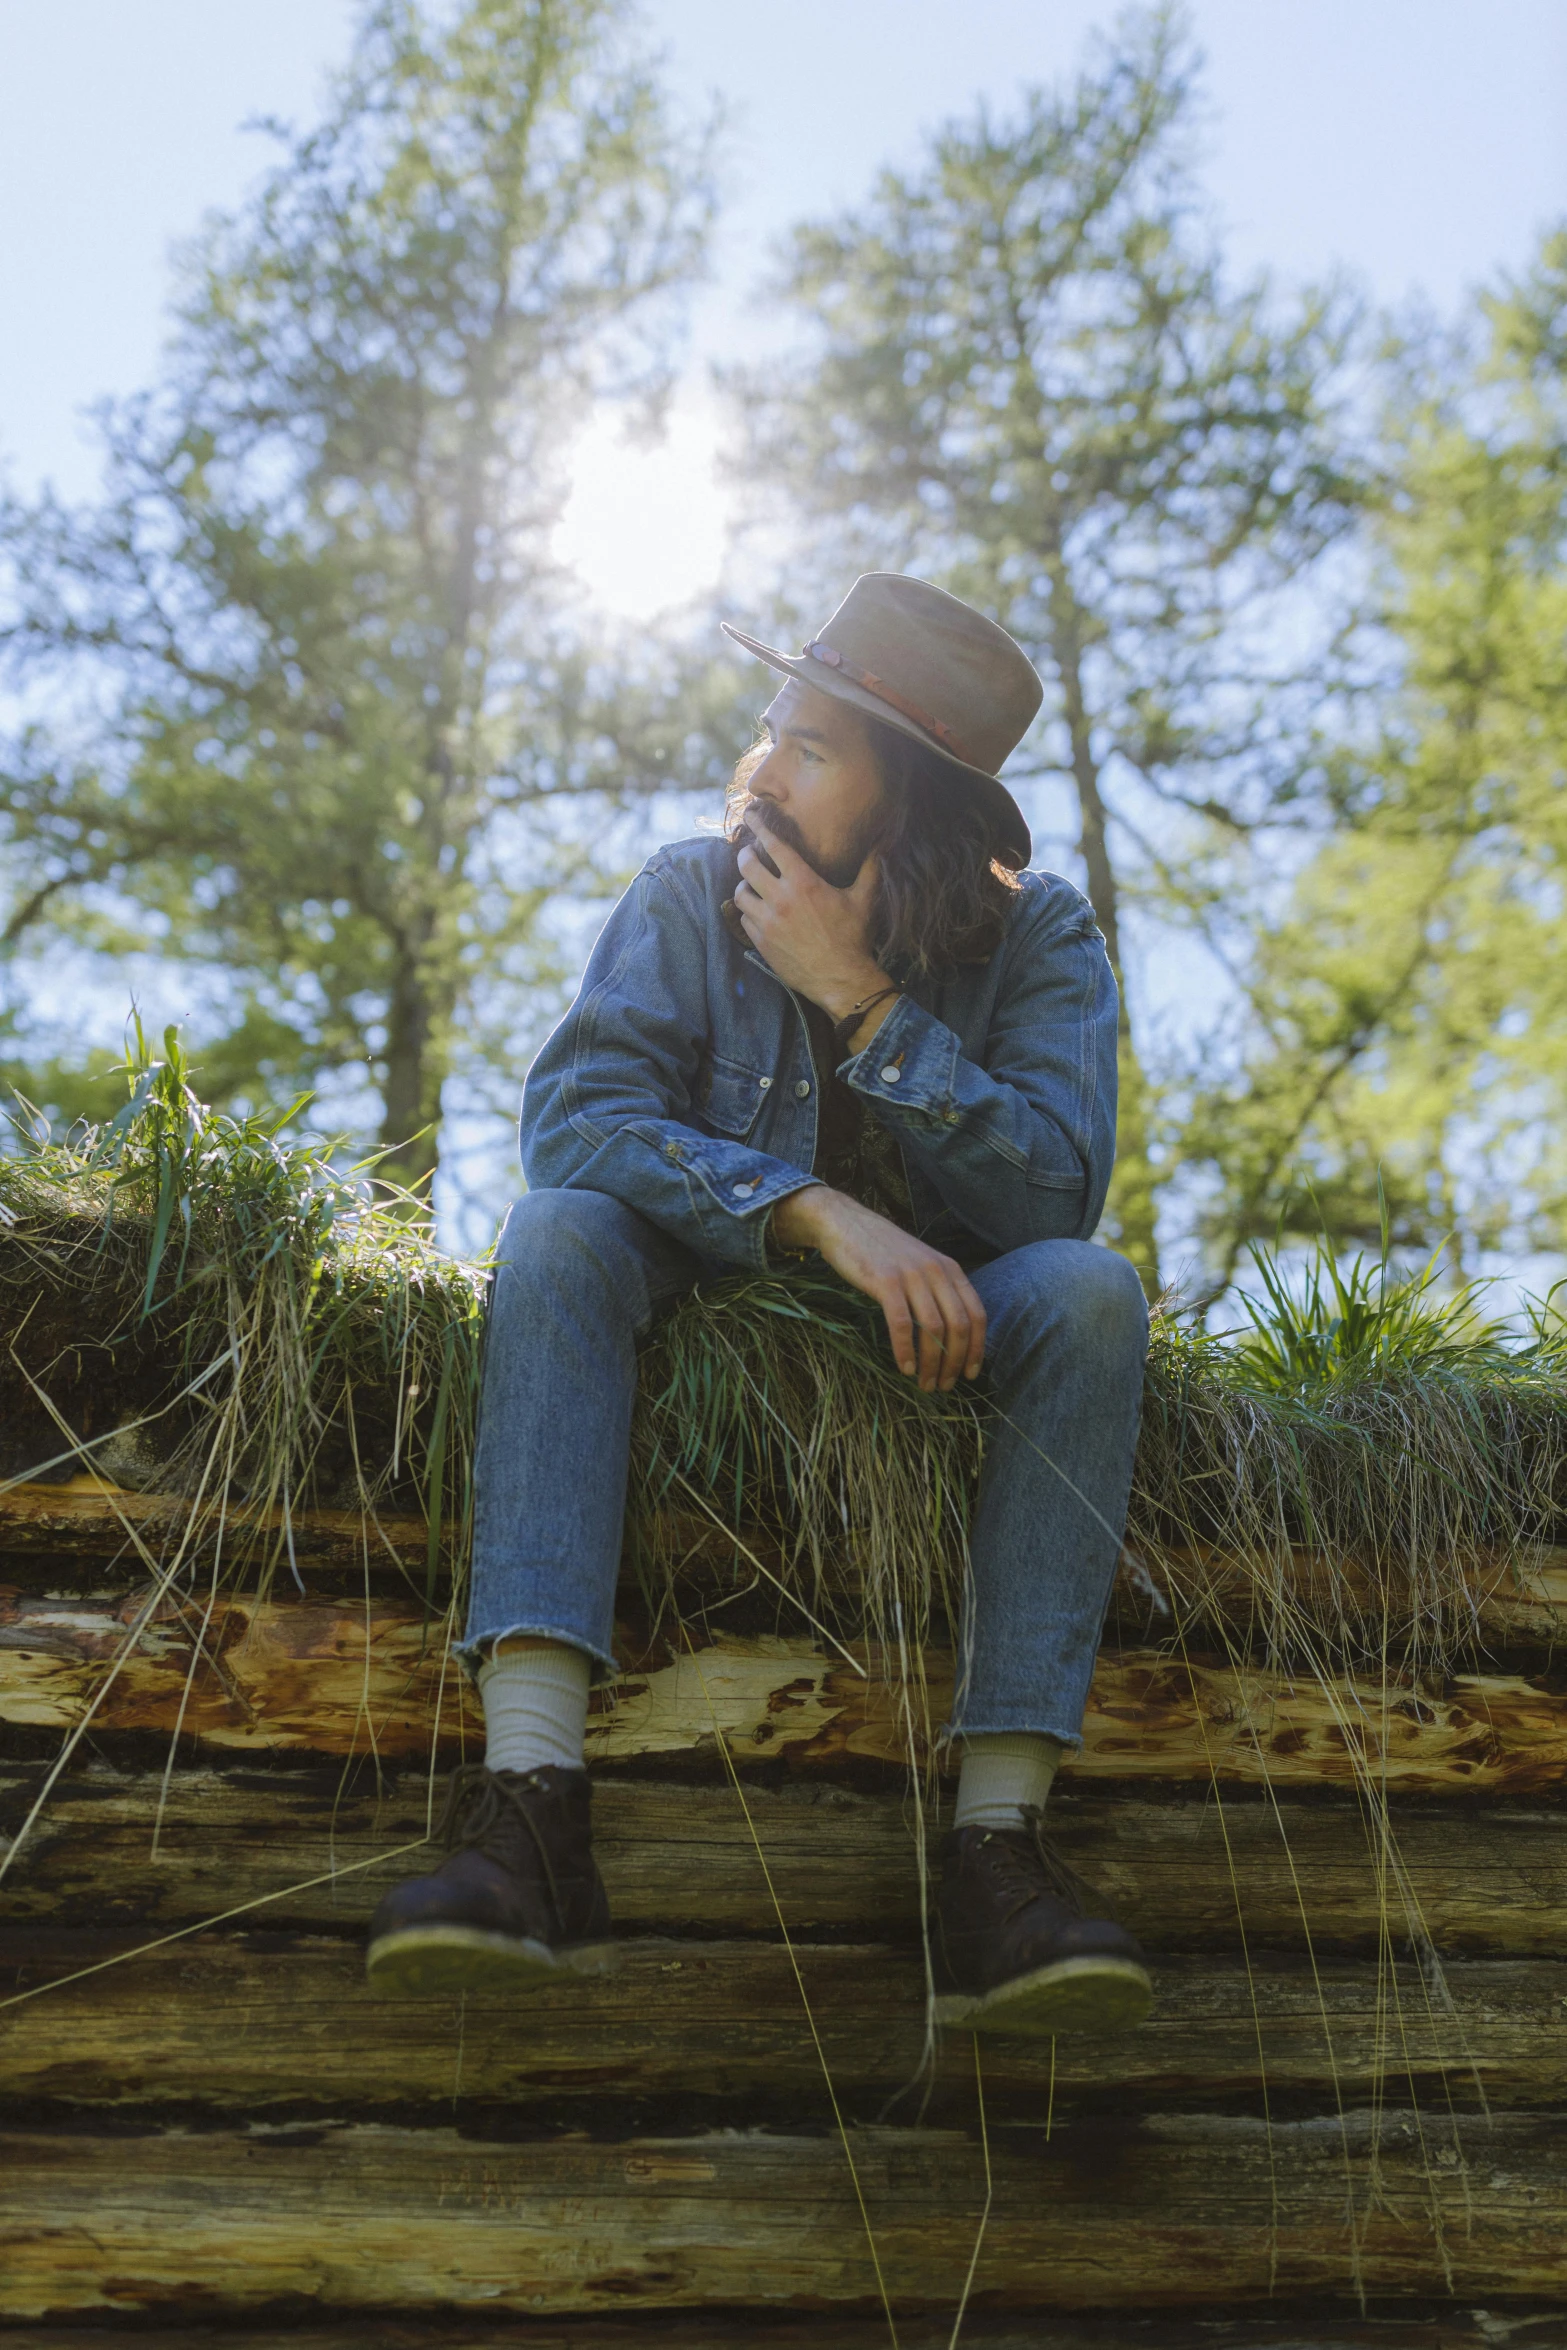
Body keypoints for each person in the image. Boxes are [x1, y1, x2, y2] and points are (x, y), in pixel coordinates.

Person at [367, 573, 1152, 2036]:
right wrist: (811, 1209)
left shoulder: (1038, 936)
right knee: (556, 1231)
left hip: (961, 1325)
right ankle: (530, 1806)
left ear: (902, 795)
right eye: (771, 726)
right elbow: (576, 1121)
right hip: (719, 1293)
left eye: (808, 744)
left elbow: (1051, 1195)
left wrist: (858, 1001)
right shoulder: (685, 888)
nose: (761, 765)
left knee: (1094, 1295)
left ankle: (995, 1856)